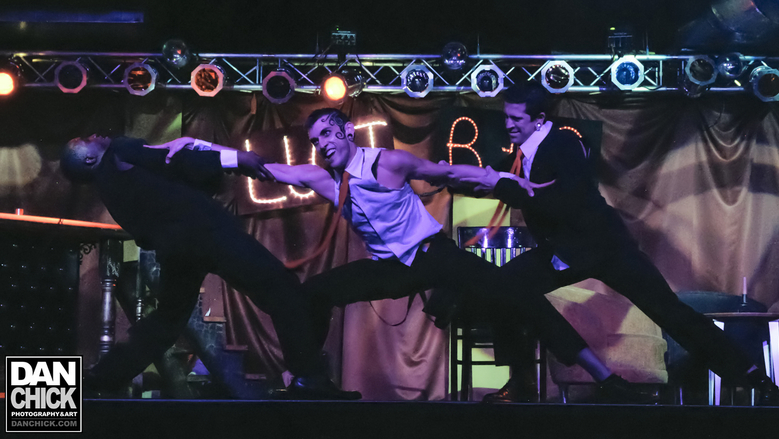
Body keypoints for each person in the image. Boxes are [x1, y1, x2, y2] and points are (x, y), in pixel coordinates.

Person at [152, 108, 653, 403]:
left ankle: (604, 377)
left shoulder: (387, 163)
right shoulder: (322, 179)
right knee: (312, 293)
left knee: (519, 296)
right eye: (316, 140)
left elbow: (450, 173)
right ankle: (309, 379)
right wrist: (199, 145)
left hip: (433, 255)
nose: (322, 144)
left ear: (347, 133)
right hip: (391, 268)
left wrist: (506, 179)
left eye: (328, 134)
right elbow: (261, 168)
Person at [456, 82, 779, 405]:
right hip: (565, 250)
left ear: (539, 119)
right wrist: (448, 173)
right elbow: (499, 178)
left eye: (516, 118)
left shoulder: (561, 145)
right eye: (507, 117)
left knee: (670, 312)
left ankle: (752, 377)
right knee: (503, 285)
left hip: (605, 248)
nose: (508, 125)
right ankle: (523, 381)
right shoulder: (528, 150)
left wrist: (502, 187)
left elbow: (559, 203)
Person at [60, 134, 360, 400]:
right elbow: (174, 160)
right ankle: (309, 378)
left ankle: (103, 377)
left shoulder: (110, 189)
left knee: (167, 320)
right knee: (280, 288)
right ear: (89, 159)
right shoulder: (120, 151)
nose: (95, 134)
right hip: (207, 234)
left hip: (176, 249)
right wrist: (237, 159)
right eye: (87, 140)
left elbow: (148, 224)